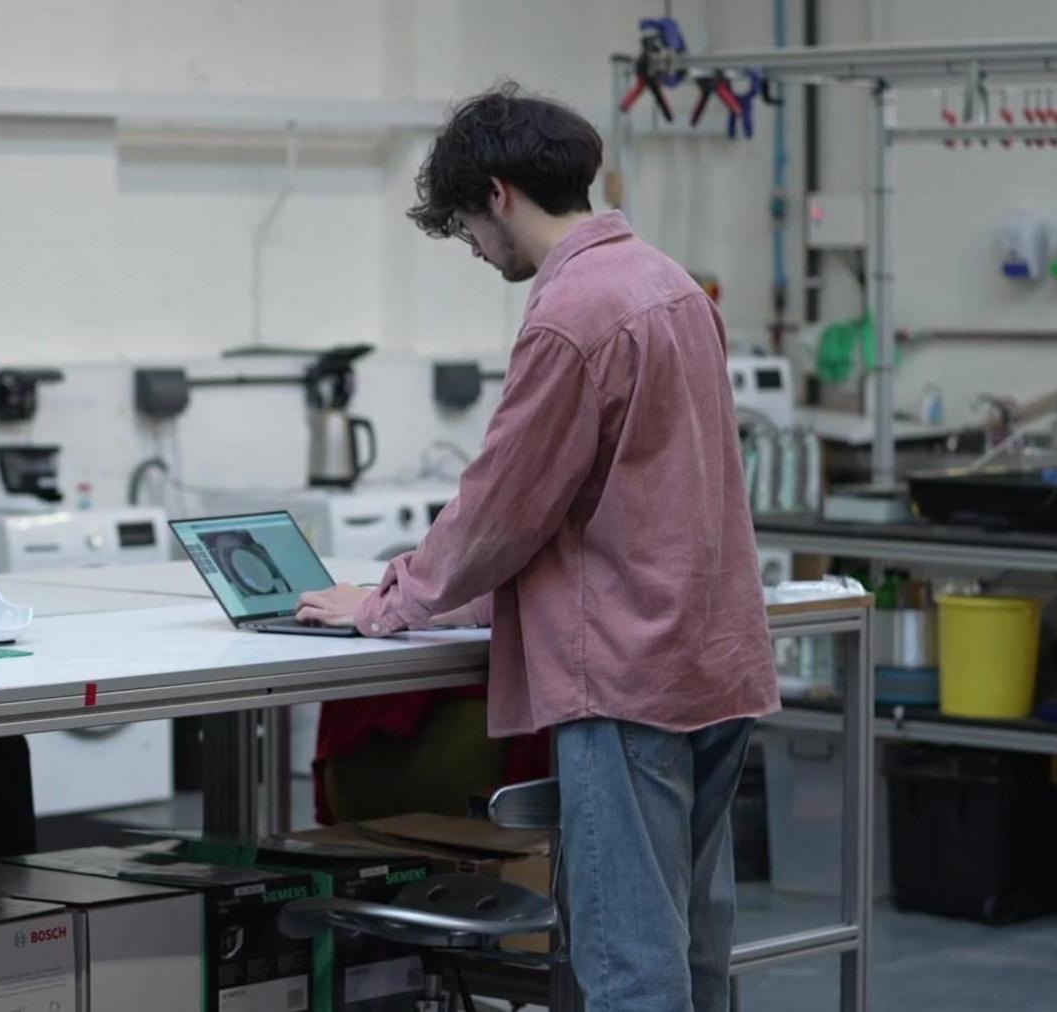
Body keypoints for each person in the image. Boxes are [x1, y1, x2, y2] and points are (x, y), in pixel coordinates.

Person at [296, 82, 779, 1012]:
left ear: (501, 193)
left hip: (630, 679)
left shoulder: (573, 315)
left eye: (468, 227)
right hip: (715, 659)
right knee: (696, 946)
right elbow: (623, 501)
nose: (475, 249)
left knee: (631, 962)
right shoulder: (672, 286)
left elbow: (501, 507)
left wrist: (387, 600)